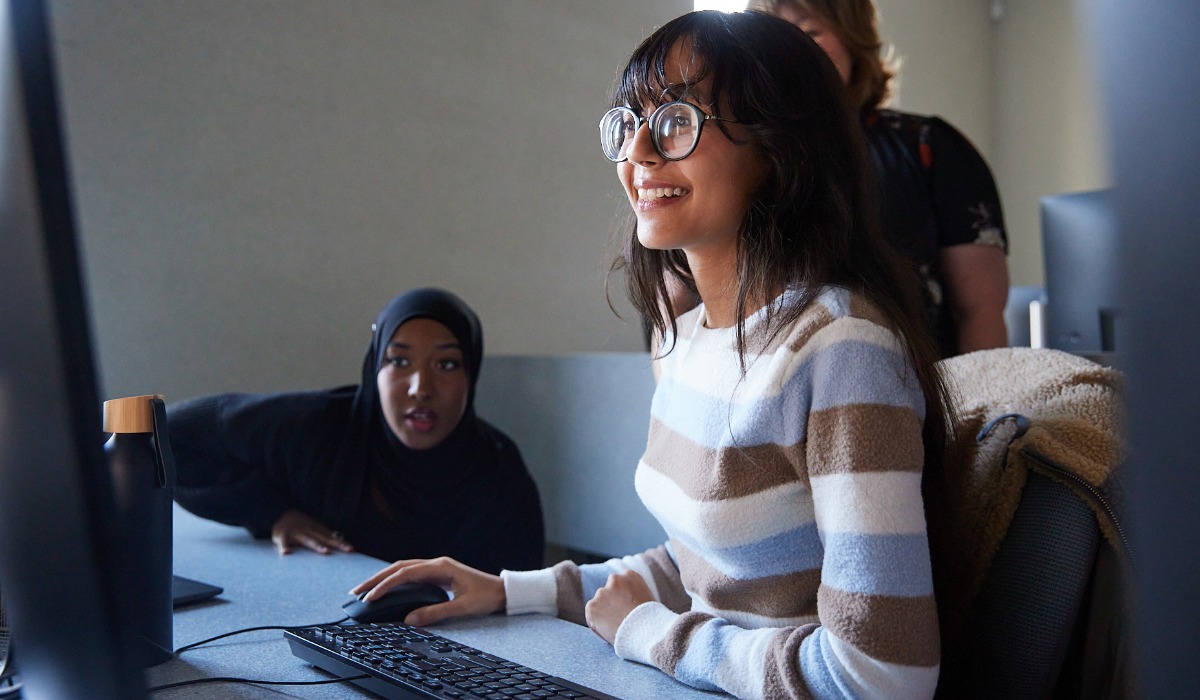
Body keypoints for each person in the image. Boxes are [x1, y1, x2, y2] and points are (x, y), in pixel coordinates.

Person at [352, 11, 953, 699]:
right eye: (627, 121)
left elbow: (883, 676)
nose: (637, 151)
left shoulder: (845, 351)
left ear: (780, 150)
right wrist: (509, 591)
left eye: (676, 119)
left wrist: (648, 633)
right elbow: (703, 564)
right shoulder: (686, 340)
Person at [168, 287, 544, 575]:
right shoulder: (320, 427)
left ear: (471, 375)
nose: (420, 387)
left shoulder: (498, 469)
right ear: (374, 369)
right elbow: (166, 434)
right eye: (398, 360)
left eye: (446, 364)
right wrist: (269, 513)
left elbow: (523, 604)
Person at [753, 0, 1011, 357]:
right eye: (778, 37)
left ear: (853, 42)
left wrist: (972, 407)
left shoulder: (929, 146)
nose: (795, 50)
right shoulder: (746, 159)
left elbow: (980, 310)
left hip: (925, 387)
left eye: (811, 32)